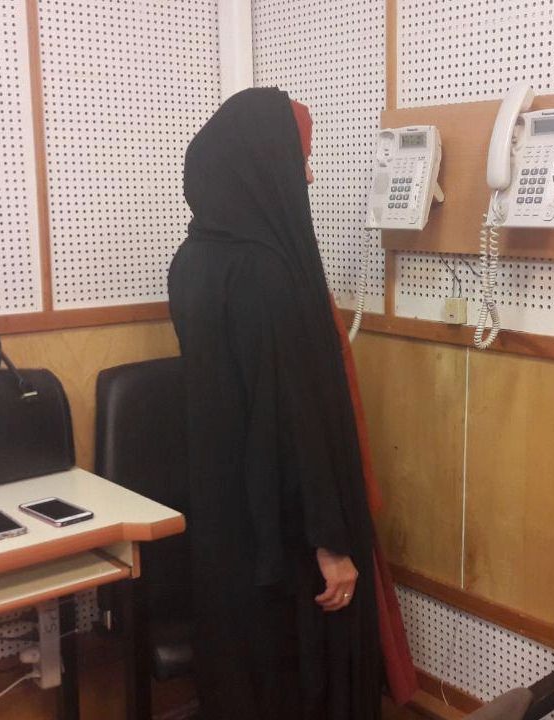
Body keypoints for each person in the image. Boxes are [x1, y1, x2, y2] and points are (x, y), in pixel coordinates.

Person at [168, 88, 414, 720]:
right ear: (261, 161)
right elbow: (290, 423)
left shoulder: (191, 261)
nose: (306, 175)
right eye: (300, 157)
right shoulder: (266, 275)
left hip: (224, 522)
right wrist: (330, 544)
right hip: (284, 539)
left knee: (242, 678)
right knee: (299, 682)